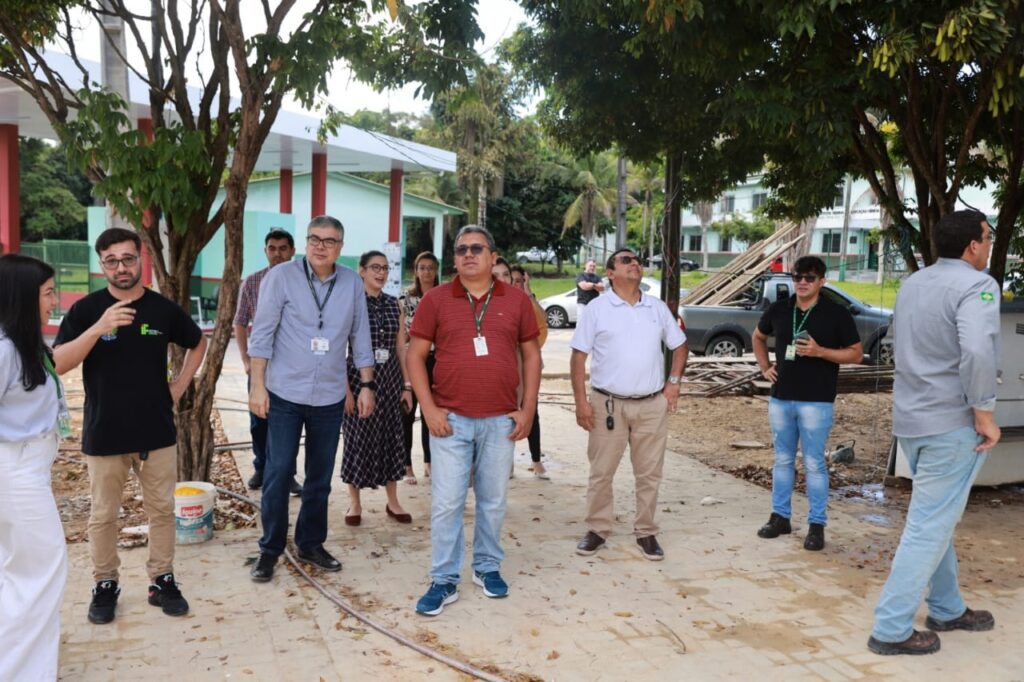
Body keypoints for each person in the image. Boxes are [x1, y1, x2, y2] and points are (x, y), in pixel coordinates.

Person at [54, 227, 207, 624]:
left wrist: (178, 385)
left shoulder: (162, 309)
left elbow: (197, 342)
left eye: (128, 258)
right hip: (105, 430)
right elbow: (58, 363)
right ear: (101, 264)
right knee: (104, 514)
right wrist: (98, 328)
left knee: (161, 509)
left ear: (141, 259)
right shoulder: (86, 310)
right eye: (111, 261)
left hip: (156, 429)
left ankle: (162, 578)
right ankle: (105, 583)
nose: (121, 267)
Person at [868, 210, 1001, 656]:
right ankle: (890, 628)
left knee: (933, 517)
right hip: (951, 424)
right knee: (928, 525)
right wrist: (984, 413)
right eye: (987, 237)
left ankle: (946, 606)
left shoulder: (914, 284)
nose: (989, 244)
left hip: (911, 420)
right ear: (972, 246)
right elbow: (978, 352)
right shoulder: (977, 285)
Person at [408, 225, 540, 616]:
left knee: (493, 501)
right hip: (450, 421)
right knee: (447, 503)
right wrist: (428, 408)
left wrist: (527, 409)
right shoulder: (435, 300)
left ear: (492, 256)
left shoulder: (515, 301)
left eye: (477, 248)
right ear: (454, 258)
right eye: (462, 249)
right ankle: (444, 578)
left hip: (501, 420)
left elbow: (532, 356)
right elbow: (415, 356)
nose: (469, 254)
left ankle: (486, 567)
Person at [247, 215, 375, 582]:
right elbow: (263, 334)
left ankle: (310, 543)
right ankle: (270, 549)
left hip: (330, 397)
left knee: (319, 477)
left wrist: (366, 385)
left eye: (330, 241)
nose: (321, 246)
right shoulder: (281, 276)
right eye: (315, 239)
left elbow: (359, 336)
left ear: (341, 247)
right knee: (278, 472)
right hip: (285, 393)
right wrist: (258, 386)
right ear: (306, 242)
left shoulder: (351, 282)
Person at [571, 247, 687, 561]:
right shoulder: (598, 308)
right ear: (610, 273)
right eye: (625, 260)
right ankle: (597, 529)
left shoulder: (656, 307)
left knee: (649, 474)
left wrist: (673, 383)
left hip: (651, 405)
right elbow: (578, 356)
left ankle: (646, 532)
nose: (634, 263)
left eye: (636, 259)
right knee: (601, 471)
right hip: (607, 404)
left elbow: (679, 345)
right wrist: (581, 402)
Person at [752, 256, 862, 551]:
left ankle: (816, 525)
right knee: (783, 460)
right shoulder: (780, 309)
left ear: (822, 281)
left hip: (817, 399)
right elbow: (758, 337)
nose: (802, 281)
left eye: (810, 277)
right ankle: (780, 517)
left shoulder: (835, 313)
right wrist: (764, 367)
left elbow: (855, 354)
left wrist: (820, 351)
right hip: (782, 397)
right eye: (798, 276)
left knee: (814, 463)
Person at [0, 254, 67, 680]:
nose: (53, 300)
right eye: (46, 293)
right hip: (15, 470)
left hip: (30, 467)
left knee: (21, 570)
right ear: (24, 297)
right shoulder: (5, 349)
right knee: (44, 570)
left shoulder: (24, 342)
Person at [341, 251, 413, 526]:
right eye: (375, 268)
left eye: (385, 268)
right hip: (358, 382)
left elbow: (400, 348)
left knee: (392, 439)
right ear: (361, 271)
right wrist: (346, 391)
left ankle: (393, 501)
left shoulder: (395, 305)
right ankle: (354, 503)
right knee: (357, 440)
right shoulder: (350, 304)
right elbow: (340, 351)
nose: (381, 273)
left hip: (391, 381)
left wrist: (407, 385)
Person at [232, 228, 302, 495]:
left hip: (294, 367)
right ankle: (262, 467)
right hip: (262, 366)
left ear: (293, 251)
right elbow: (239, 322)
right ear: (265, 251)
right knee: (258, 420)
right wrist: (246, 360)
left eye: (283, 248)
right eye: (272, 248)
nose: (277, 253)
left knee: (291, 421)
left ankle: (288, 474)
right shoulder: (252, 282)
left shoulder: (304, 281)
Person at [400, 251, 439, 484]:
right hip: (411, 359)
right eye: (421, 267)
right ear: (415, 271)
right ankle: (406, 464)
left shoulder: (442, 297)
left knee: (430, 411)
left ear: (436, 271)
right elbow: (402, 335)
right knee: (407, 412)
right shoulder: (405, 299)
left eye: (430, 268)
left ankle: (429, 462)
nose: (426, 272)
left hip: (436, 360)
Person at [511, 264, 550, 479]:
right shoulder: (500, 300)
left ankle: (536, 460)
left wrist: (528, 290)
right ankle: (506, 461)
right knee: (505, 409)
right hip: (506, 360)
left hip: (528, 359)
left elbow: (542, 320)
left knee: (530, 409)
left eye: (519, 280)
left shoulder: (528, 301)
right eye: (513, 280)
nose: (515, 284)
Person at [575, 258, 604, 325]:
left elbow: (602, 288)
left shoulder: (597, 277)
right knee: (581, 324)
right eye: (590, 265)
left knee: (594, 325)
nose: (592, 267)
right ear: (586, 265)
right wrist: (595, 285)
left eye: (594, 266)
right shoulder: (580, 275)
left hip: (595, 305)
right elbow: (584, 286)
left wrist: (592, 285)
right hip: (583, 304)